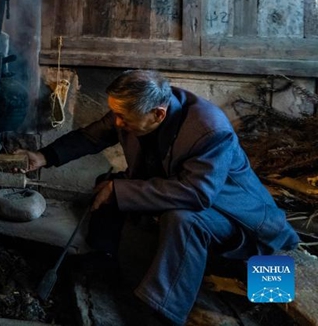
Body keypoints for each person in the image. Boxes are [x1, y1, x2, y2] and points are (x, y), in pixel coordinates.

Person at [18, 69, 299, 325]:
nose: (116, 122)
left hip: (238, 221)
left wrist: (121, 191)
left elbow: (197, 193)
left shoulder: (210, 131)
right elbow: (93, 137)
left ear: (158, 114)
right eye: (115, 113)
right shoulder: (135, 108)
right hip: (194, 198)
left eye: (122, 118)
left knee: (182, 219)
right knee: (110, 185)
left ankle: (165, 312)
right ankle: (105, 263)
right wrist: (43, 157)